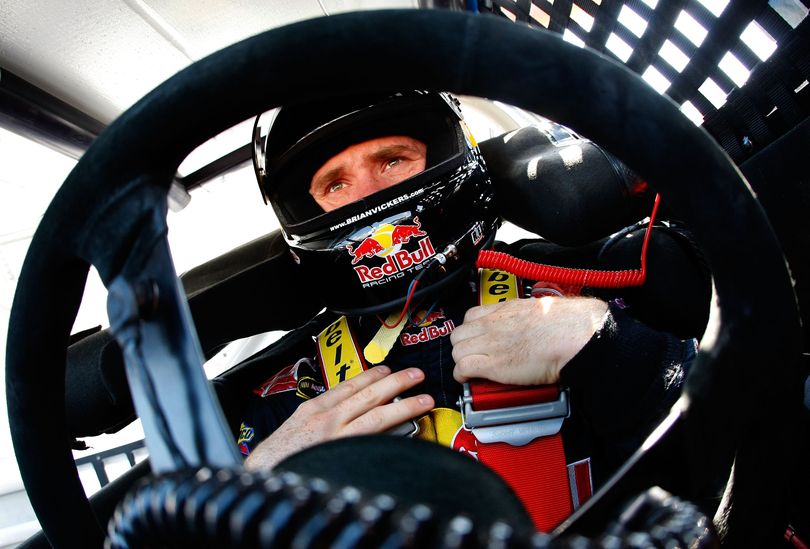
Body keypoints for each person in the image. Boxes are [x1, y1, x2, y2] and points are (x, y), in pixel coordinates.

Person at [234, 90, 705, 530]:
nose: (367, 195)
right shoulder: (289, 394)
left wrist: (610, 349)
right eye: (335, 185)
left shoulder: (593, 279)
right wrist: (249, 497)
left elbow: (744, 451)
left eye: (393, 160)